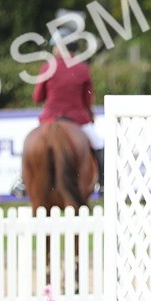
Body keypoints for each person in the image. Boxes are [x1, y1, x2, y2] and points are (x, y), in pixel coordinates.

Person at [32, 10, 105, 194]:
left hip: (50, 119)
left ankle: (24, 182)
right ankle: (103, 181)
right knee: (99, 144)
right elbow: (87, 100)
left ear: (59, 48)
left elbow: (37, 97)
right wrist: (89, 117)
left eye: (54, 47)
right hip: (78, 121)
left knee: (31, 143)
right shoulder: (83, 69)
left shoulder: (48, 66)